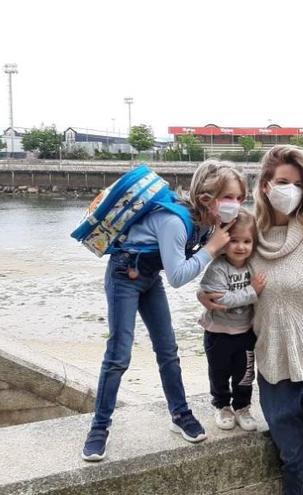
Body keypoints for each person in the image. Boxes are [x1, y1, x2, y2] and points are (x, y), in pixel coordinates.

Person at [200, 145, 303, 494]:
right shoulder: (248, 240)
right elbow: (215, 273)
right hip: (274, 373)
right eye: (283, 181)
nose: (291, 190)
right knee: (294, 466)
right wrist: (205, 296)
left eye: (299, 184)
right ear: (265, 185)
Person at [82, 160, 247, 462]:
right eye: (229, 197)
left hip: (148, 277)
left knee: (168, 349)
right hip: (124, 274)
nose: (234, 205)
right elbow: (178, 277)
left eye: (239, 198)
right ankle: (99, 428)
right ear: (207, 199)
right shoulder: (176, 221)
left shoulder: (209, 223)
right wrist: (211, 249)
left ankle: (179, 414)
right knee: (119, 354)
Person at [198, 210, 265, 431]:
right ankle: (222, 405)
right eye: (234, 241)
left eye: (247, 241)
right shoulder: (217, 268)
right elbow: (222, 300)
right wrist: (251, 292)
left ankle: (243, 406)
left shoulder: (253, 266)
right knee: (218, 372)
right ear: (223, 242)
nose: (240, 247)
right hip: (218, 332)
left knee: (245, 373)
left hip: (245, 332)